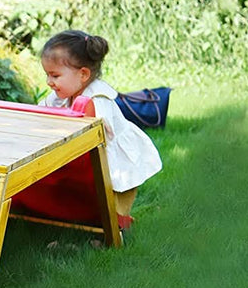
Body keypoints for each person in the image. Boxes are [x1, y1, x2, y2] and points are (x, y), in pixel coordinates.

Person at [39, 30, 162, 231]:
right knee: (85, 194)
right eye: (47, 75)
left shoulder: (97, 99)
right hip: (93, 158)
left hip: (117, 159)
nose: (49, 82)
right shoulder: (63, 94)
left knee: (113, 201)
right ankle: (87, 221)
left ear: (83, 74)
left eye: (55, 75)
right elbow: (42, 111)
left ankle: (114, 231)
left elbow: (94, 133)